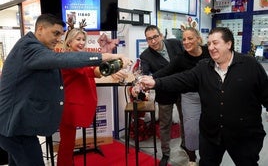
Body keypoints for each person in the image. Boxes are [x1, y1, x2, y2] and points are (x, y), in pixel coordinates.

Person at [0, 14, 131, 166]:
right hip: (14, 127)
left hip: (15, 125)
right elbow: (69, 61)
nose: (58, 39)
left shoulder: (35, 48)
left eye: (60, 35)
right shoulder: (30, 48)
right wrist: (110, 56)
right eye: (55, 33)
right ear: (40, 29)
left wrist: (112, 68)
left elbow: (88, 70)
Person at [141, 27, 268, 166]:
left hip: (243, 137)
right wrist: (155, 82)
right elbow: (181, 78)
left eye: (215, 43)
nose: (211, 48)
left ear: (228, 44)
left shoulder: (250, 65)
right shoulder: (204, 67)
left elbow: (266, 94)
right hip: (211, 136)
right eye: (209, 44)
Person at [57, 28, 128, 166]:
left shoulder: (77, 56)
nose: (82, 42)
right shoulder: (69, 58)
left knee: (68, 142)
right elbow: (94, 71)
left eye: (83, 39)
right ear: (69, 41)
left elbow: (94, 69)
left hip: (71, 104)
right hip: (69, 106)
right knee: (67, 143)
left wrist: (110, 69)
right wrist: (114, 65)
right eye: (78, 39)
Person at [152, 27, 210, 165]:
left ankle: (207, 156)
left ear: (198, 39)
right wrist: (148, 79)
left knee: (208, 126)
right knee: (190, 129)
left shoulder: (209, 52)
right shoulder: (180, 59)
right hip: (189, 96)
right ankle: (191, 159)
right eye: (184, 39)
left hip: (208, 94)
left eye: (190, 38)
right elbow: (165, 72)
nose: (186, 42)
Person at [138, 25, 183, 166]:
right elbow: (145, 74)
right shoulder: (145, 55)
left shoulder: (175, 44)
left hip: (183, 89)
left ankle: (187, 147)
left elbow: (186, 61)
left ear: (161, 36)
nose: (153, 41)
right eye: (149, 39)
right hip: (164, 93)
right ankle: (165, 154)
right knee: (165, 126)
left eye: (155, 37)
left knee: (186, 120)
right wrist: (140, 82)